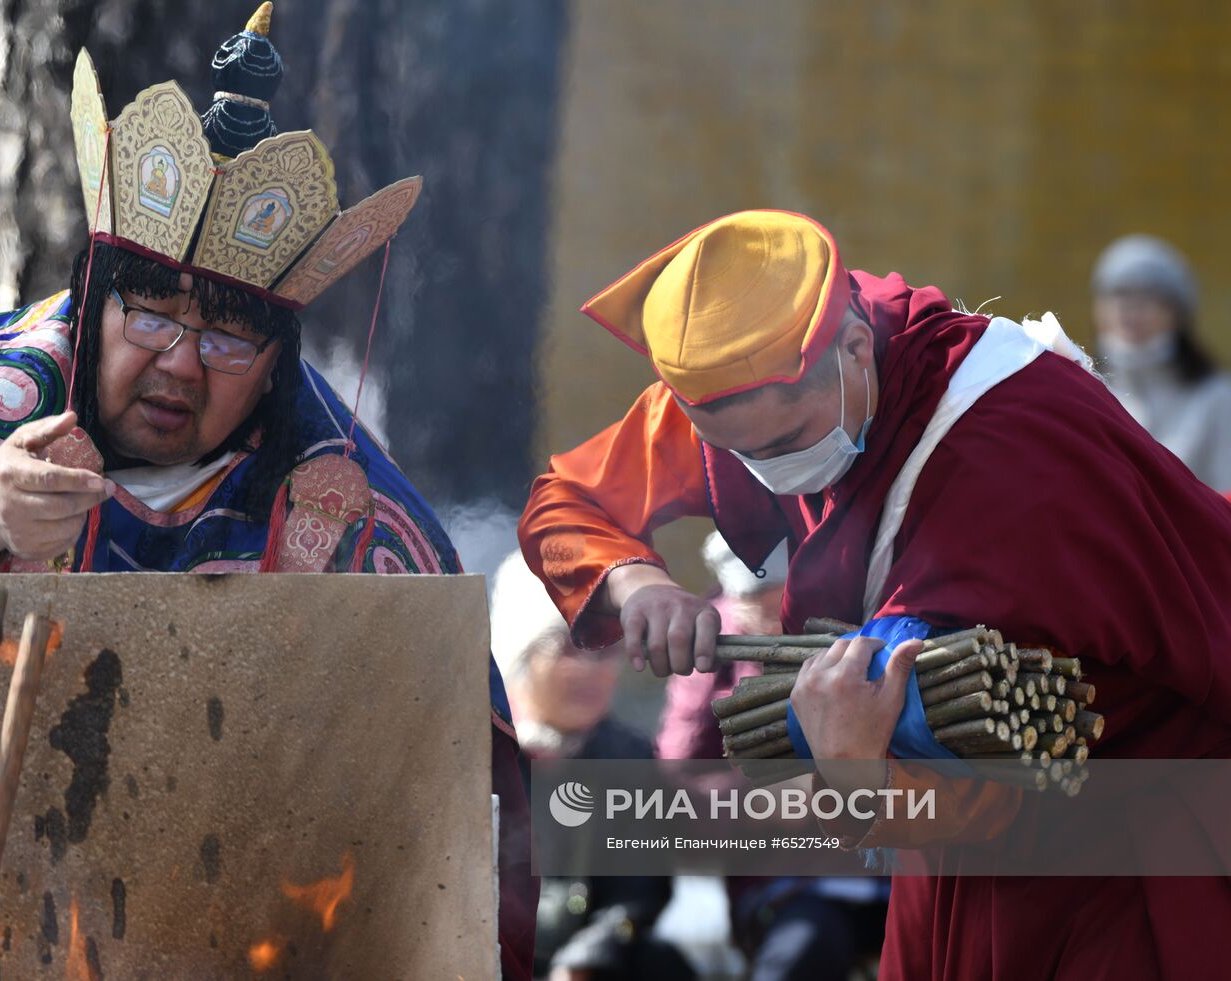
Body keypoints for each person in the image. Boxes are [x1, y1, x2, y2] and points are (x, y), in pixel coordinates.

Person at [0, 6, 535, 976]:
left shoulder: (341, 508)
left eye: (227, 337)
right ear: (93, 300)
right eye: (149, 315)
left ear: (276, 358)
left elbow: (454, 787)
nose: (180, 366)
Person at [518, 210, 1231, 979]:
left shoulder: (1008, 457)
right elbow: (566, 499)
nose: (763, 472)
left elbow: (986, 788)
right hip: (943, 843)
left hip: (1114, 842)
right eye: (733, 452)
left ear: (857, 346)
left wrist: (853, 766)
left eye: (786, 443)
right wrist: (639, 582)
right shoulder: (744, 391)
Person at [658, 534, 887, 981]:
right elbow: (677, 788)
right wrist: (757, 796)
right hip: (784, 879)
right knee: (806, 945)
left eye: (778, 603)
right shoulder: (716, 648)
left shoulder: (863, 623)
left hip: (892, 866)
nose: (768, 619)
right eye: (754, 605)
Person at [490, 550, 694, 981]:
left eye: (603, 652)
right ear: (522, 654)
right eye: (568, 649)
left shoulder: (627, 757)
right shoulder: (481, 753)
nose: (590, 670)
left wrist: (585, 959)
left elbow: (641, 890)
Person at [1091, 233, 1231, 491]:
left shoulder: (1216, 398)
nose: (1129, 309)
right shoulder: (1084, 390)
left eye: (1147, 295)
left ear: (1177, 312)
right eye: (1118, 294)